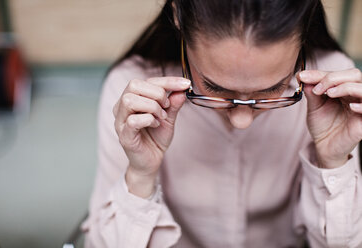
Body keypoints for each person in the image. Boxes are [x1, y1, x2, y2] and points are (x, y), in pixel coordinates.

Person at [82, 0, 362, 247]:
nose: (241, 121)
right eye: (214, 88)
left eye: (272, 90)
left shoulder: (330, 85)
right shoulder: (134, 92)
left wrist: (333, 161)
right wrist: (140, 176)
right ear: (178, 12)